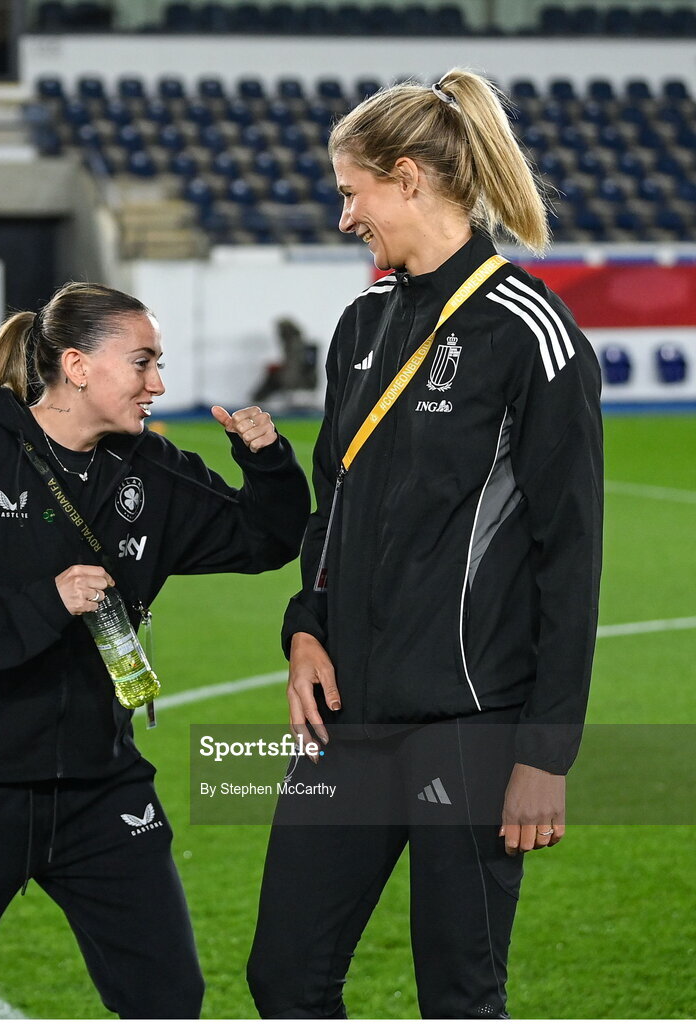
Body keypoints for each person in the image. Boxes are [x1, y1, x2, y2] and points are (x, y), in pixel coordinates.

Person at [247, 68, 603, 1019]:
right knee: (285, 976)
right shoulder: (360, 324)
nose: (344, 218)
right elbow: (334, 507)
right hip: (349, 722)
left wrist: (546, 753)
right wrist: (305, 629)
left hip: (473, 729)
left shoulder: (530, 331)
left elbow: (571, 556)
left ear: (408, 178)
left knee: (457, 994)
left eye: (350, 192)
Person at [0, 281, 310, 1019]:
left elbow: (264, 540)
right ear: (76, 365)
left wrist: (267, 463)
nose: (159, 383)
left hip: (103, 787)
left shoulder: (151, 467)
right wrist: (46, 600)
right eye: (142, 362)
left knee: (168, 997)